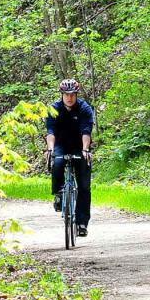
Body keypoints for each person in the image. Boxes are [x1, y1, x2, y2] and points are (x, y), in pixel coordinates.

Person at [45, 78, 95, 236]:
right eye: (66, 94)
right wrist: (50, 149)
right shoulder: (54, 109)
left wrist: (86, 149)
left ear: (76, 94)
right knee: (57, 162)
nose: (69, 97)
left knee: (84, 186)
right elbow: (50, 132)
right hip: (60, 144)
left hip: (80, 146)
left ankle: (81, 223)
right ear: (61, 94)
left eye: (72, 94)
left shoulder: (84, 108)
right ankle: (59, 193)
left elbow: (86, 131)